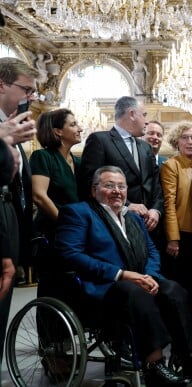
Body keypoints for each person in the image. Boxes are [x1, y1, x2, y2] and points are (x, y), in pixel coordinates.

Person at [55, 166, 192, 386]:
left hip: (138, 281)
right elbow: (71, 255)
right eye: (109, 185)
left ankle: (189, 354)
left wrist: (149, 276)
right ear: (93, 189)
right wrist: (123, 274)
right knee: (135, 292)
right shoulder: (78, 212)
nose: (117, 191)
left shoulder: (132, 218)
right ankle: (154, 365)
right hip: (103, 289)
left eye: (121, 186)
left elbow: (152, 250)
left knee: (173, 289)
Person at [0, 57, 38, 376]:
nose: (31, 97)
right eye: (27, 89)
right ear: (2, 84)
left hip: (10, 224)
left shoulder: (11, 126)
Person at [79, 96, 163, 233]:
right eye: (144, 115)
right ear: (132, 114)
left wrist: (156, 210)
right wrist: (126, 205)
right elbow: (89, 183)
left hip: (148, 224)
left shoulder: (145, 147)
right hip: (113, 222)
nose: (147, 121)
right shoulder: (100, 140)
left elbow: (156, 183)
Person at [29, 108, 83, 300]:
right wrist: (66, 223)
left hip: (76, 234)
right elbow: (39, 196)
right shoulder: (43, 157)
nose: (80, 128)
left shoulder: (79, 162)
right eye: (73, 124)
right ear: (58, 131)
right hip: (52, 233)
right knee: (54, 290)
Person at [159, 121, 192, 341]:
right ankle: (179, 333)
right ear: (177, 141)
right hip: (181, 235)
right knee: (180, 288)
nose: (189, 141)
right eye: (185, 137)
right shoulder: (171, 165)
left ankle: (189, 331)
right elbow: (168, 204)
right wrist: (173, 238)